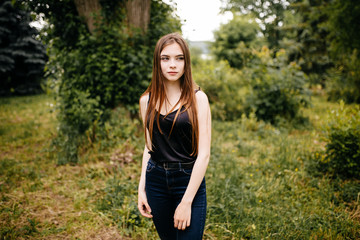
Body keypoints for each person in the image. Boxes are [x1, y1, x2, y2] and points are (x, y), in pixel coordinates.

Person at [137, 32, 212, 240]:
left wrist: (186, 201)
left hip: (188, 180)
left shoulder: (199, 99)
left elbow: (204, 154)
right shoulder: (146, 101)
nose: (172, 64)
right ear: (157, 62)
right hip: (156, 181)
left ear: (186, 63)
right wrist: (141, 188)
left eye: (179, 58)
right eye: (165, 58)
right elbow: (149, 147)